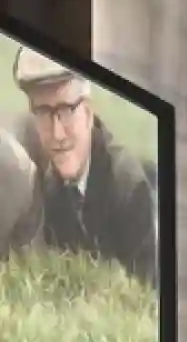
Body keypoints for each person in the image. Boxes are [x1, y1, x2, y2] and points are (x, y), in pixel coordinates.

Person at [13, 46, 156, 286]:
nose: (57, 134)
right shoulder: (47, 184)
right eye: (44, 112)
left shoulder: (129, 187)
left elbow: (149, 294)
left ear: (89, 113)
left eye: (67, 110)